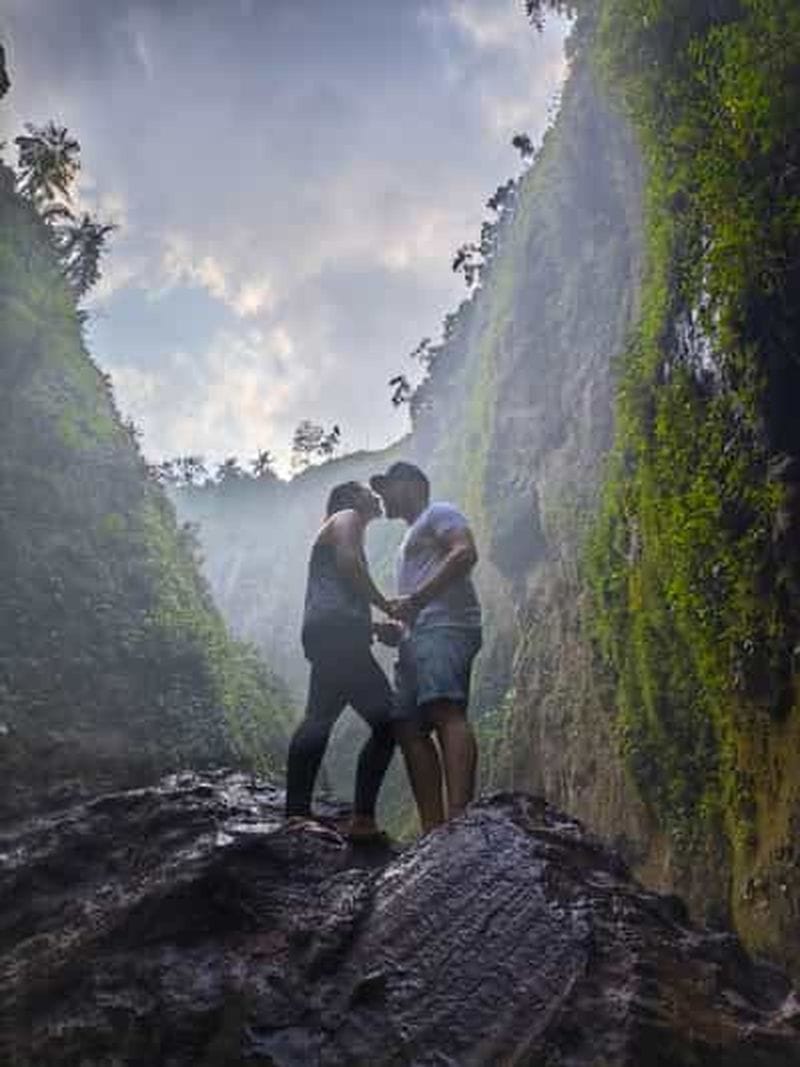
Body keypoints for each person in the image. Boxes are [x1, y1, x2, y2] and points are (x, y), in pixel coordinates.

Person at [370, 462, 482, 832]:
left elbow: (464, 553)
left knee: (444, 708)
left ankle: (459, 819)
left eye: (386, 486)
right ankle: (434, 833)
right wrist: (398, 626)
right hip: (417, 636)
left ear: (410, 485)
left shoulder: (440, 513)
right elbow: (414, 603)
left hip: (447, 625)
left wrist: (416, 601)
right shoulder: (405, 544)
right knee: (406, 727)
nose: (381, 495)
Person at [285, 480, 395, 840]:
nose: (374, 495)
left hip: (331, 634)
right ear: (350, 499)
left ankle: (297, 812)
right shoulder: (346, 517)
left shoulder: (342, 528)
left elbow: (341, 591)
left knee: (319, 717)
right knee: (389, 722)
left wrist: (375, 627)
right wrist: (387, 605)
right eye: (367, 490)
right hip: (338, 634)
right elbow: (348, 565)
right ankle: (360, 820)